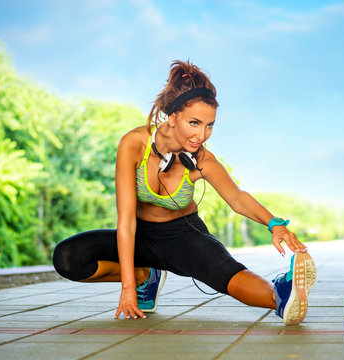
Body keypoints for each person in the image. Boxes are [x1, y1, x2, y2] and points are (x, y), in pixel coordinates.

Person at [53, 60, 317, 325]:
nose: (202, 135)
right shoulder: (133, 144)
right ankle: (145, 276)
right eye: (194, 123)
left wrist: (274, 224)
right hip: (139, 235)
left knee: (227, 274)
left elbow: (236, 198)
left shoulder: (202, 159)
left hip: (183, 235)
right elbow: (126, 222)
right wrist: (128, 289)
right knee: (68, 258)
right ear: (172, 117)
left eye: (210, 125)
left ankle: (282, 295)